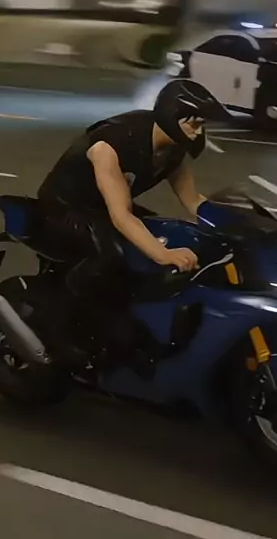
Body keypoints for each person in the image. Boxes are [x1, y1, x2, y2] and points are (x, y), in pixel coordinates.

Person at [37, 79, 224, 364]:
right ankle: (58, 329)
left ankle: (129, 324)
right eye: (195, 124)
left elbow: (194, 200)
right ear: (173, 116)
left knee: (168, 233)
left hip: (103, 206)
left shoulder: (173, 151)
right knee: (111, 255)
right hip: (65, 205)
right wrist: (164, 254)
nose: (199, 132)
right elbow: (121, 215)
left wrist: (238, 225)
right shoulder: (112, 144)